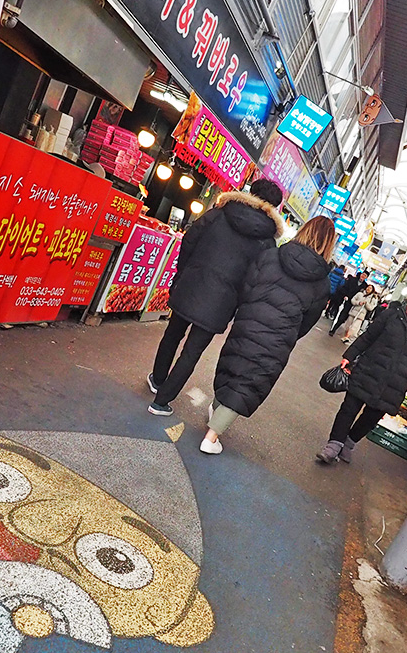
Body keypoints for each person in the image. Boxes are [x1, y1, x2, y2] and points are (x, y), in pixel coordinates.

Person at [147, 179, 286, 415]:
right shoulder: (267, 242)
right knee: (192, 352)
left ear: (251, 193)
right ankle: (161, 402)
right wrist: (238, 303)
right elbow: (256, 279)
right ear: (273, 208)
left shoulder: (220, 212)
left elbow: (189, 240)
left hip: (192, 284)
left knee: (172, 334)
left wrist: (183, 274)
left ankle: (157, 380)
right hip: (222, 302)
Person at [199, 217, 336, 454]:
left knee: (233, 366)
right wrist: (288, 332)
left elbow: (247, 286)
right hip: (279, 338)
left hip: (249, 320)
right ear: (328, 244)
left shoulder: (272, 255)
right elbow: (308, 321)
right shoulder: (321, 283)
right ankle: (211, 437)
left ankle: (217, 409)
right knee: (250, 381)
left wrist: (249, 311)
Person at [317, 287, 407, 464]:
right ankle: (333, 445)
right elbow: (368, 337)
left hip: (395, 384)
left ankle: (348, 444)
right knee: (348, 409)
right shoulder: (392, 315)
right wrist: (349, 355)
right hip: (368, 369)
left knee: (371, 418)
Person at [328, 270, 368, 335]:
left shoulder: (365, 286)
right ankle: (333, 330)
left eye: (365, 276)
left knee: (347, 318)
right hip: (348, 301)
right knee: (342, 316)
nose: (363, 276)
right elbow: (344, 288)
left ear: (366, 277)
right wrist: (345, 295)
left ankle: (345, 332)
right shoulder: (352, 280)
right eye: (363, 274)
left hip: (355, 304)